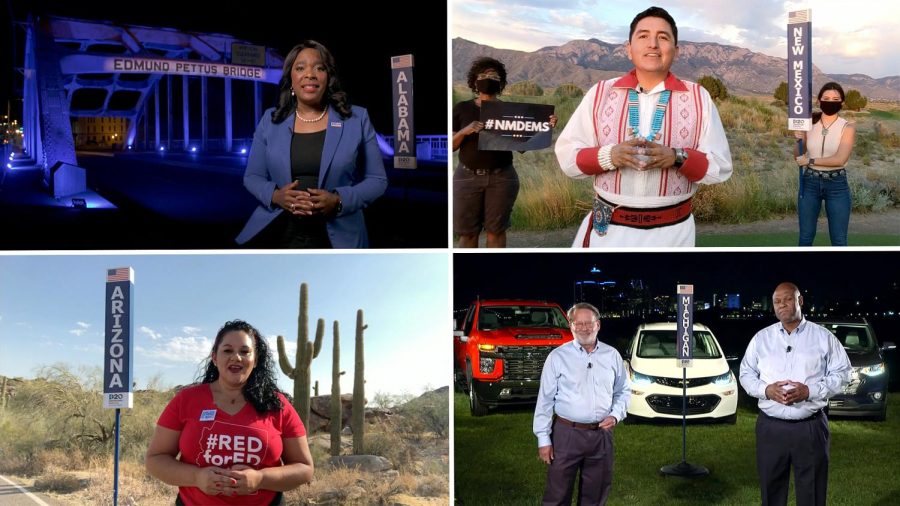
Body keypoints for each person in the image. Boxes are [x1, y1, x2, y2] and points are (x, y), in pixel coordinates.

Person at [555, 6, 733, 247]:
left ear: (676, 50)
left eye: (663, 37)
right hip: (607, 233)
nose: (653, 44)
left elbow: (721, 167)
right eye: (643, 36)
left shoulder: (698, 97)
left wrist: (677, 157)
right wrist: (610, 155)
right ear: (629, 48)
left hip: (673, 233)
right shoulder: (600, 93)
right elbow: (568, 157)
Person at [236, 40, 388, 248]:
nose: (310, 74)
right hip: (280, 232)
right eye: (300, 68)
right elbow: (252, 177)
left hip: (341, 238)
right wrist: (275, 195)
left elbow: (378, 180)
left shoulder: (357, 118)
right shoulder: (270, 120)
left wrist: (338, 200)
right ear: (291, 78)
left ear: (328, 77)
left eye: (319, 67)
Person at [146, 320, 313, 505]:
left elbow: (304, 468)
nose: (236, 357)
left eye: (244, 351)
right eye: (227, 350)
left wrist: (260, 479)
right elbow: (156, 459)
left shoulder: (277, 405)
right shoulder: (186, 400)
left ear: (255, 360)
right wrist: (197, 477)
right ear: (215, 358)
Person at [739, 282, 851, 506]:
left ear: (800, 301)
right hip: (771, 428)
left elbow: (843, 375)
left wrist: (809, 391)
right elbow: (745, 374)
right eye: (777, 302)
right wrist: (766, 390)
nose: (782, 305)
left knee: (813, 492)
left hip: (810, 427)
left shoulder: (823, 337)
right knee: (771, 491)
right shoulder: (761, 338)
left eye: (787, 299)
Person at [452, 56, 557, 248]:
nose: (488, 78)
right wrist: (464, 131)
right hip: (466, 177)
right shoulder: (462, 108)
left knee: (496, 231)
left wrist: (546, 126)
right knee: (467, 235)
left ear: (500, 82)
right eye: (483, 75)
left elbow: (523, 146)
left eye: (493, 75)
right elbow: (451, 145)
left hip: (502, 178)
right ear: (475, 81)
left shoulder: (510, 111)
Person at [533, 303, 630, 505]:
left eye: (589, 323)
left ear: (598, 325)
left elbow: (623, 391)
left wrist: (615, 415)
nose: (584, 328)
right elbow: (545, 400)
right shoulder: (557, 357)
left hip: (601, 436)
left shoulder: (612, 355)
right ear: (571, 326)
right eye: (579, 323)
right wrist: (544, 439)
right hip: (566, 435)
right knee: (557, 495)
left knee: (595, 495)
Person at [793, 82, 857, 246]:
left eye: (835, 98)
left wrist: (810, 160)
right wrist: (798, 139)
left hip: (837, 184)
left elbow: (840, 159)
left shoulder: (848, 127)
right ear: (819, 100)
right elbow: (798, 156)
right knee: (805, 238)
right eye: (826, 98)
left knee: (839, 240)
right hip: (810, 182)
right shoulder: (809, 123)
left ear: (842, 102)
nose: (830, 101)